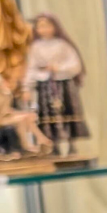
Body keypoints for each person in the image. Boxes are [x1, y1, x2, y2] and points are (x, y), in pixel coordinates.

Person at [22, 14, 89, 157]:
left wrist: (59, 68)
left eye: (47, 25)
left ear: (54, 26)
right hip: (45, 86)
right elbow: (31, 68)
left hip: (63, 84)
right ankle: (54, 146)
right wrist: (26, 87)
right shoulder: (35, 47)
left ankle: (72, 145)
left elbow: (75, 65)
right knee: (48, 115)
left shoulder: (62, 45)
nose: (43, 29)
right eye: (40, 26)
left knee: (67, 112)